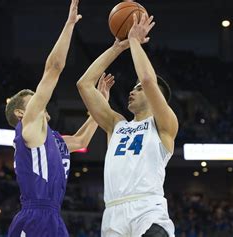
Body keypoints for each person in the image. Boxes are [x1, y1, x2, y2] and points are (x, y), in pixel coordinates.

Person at [4, 0, 114, 236]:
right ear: (21, 113)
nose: (39, 102)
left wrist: (101, 105)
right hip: (35, 216)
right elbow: (54, 68)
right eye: (32, 100)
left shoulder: (52, 139)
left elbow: (82, 141)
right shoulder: (28, 128)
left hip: (53, 216)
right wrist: (69, 25)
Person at [77, 13, 178, 237]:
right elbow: (84, 84)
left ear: (155, 98)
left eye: (139, 88)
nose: (133, 90)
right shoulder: (116, 124)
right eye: (135, 87)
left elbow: (150, 80)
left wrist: (134, 40)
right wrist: (117, 48)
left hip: (147, 210)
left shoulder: (164, 124)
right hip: (113, 213)